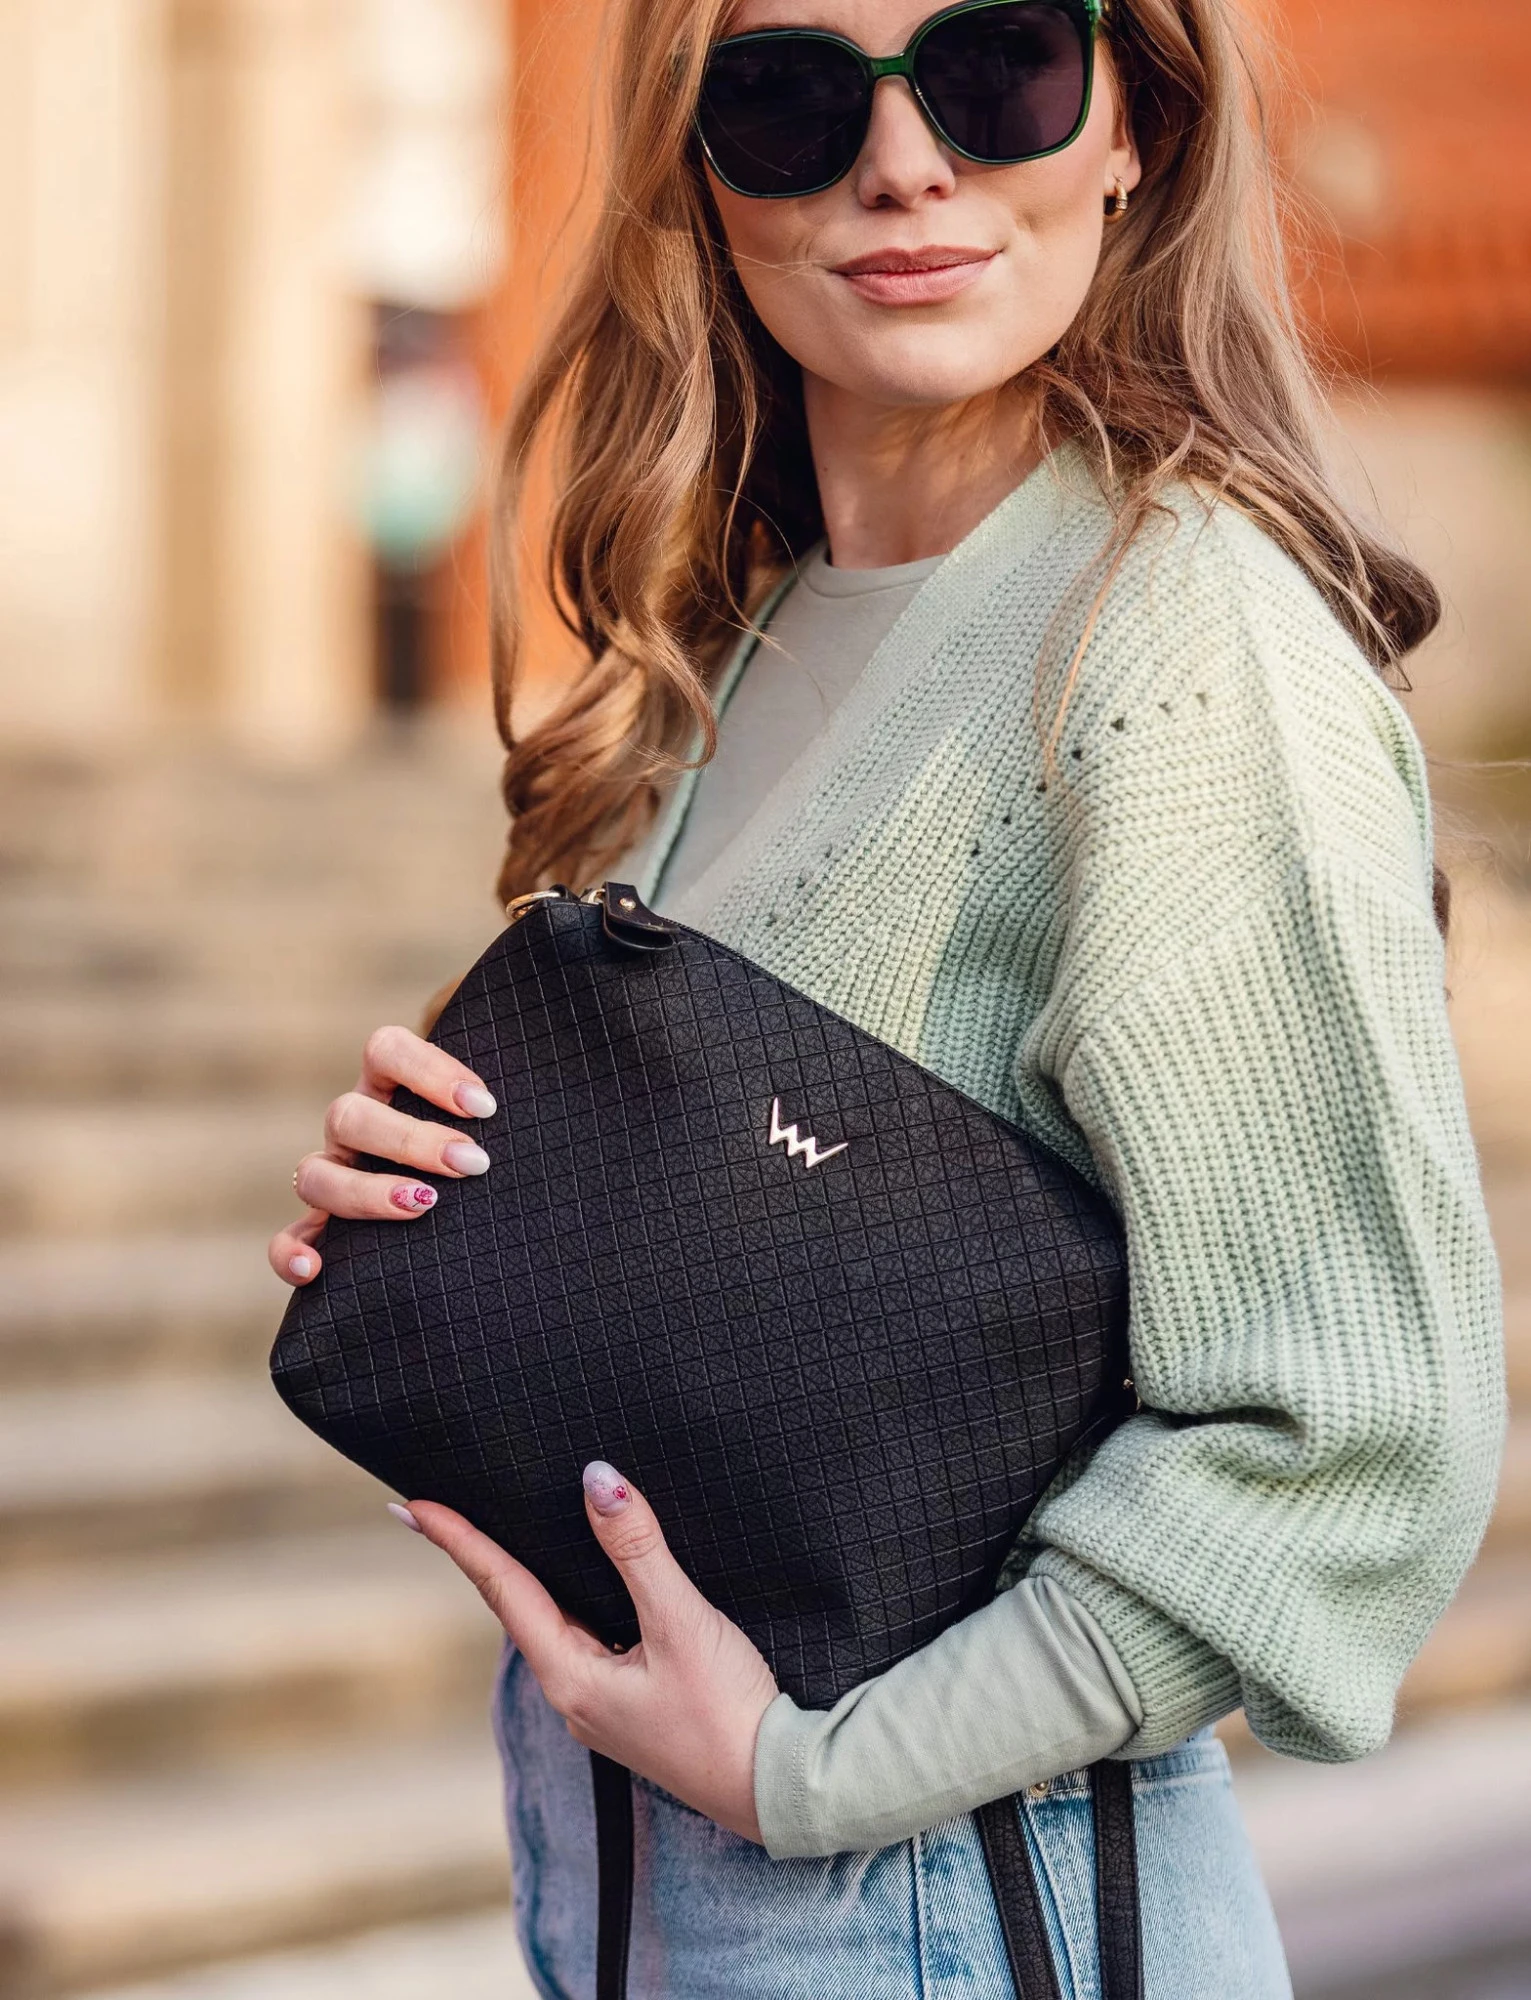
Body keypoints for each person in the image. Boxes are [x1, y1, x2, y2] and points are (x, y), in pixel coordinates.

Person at [270, 0, 1505, 1990]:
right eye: (788, 98)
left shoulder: (1177, 647)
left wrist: (819, 1776)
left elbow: (1342, 1439)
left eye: (998, 67)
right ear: (701, 173)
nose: (905, 163)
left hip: (948, 1899)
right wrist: (459, 1206)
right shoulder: (724, 647)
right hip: (647, 1882)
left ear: (1135, 122)